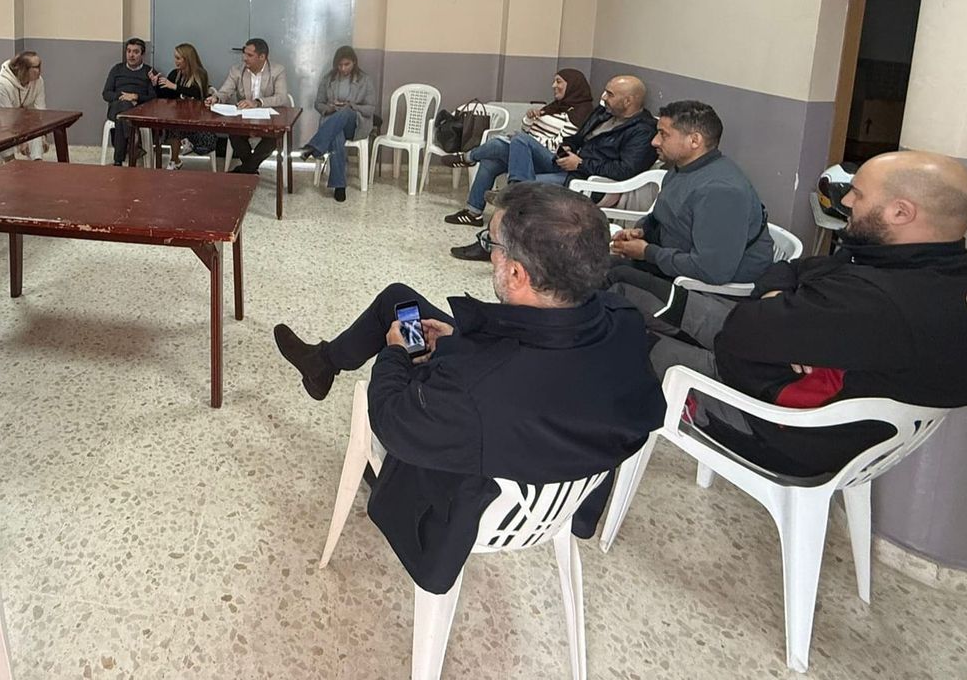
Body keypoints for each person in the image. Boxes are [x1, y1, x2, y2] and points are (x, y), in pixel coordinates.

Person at [271, 183, 663, 594]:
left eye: (491, 243)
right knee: (399, 299)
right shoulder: (624, 321)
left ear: (515, 273)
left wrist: (395, 355)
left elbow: (390, 421)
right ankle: (322, 364)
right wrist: (459, 337)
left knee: (401, 332)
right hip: (536, 415)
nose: (489, 251)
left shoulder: (474, 391)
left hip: (468, 488)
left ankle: (327, 365)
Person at [636, 151, 967, 478]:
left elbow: (740, 333)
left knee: (623, 342)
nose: (847, 202)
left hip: (777, 430)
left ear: (901, 212)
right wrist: (780, 304)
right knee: (634, 288)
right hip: (777, 372)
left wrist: (777, 312)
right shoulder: (941, 271)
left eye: (858, 194)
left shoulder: (885, 301)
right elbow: (792, 268)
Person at [444, 74, 654, 232]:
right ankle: (484, 205)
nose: (603, 97)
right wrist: (569, 147)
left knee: (508, 165)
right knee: (512, 144)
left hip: (587, 178)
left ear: (628, 101)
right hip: (566, 163)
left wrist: (580, 164)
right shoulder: (603, 113)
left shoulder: (642, 131)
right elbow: (577, 137)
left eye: (610, 94)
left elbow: (625, 170)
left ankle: (500, 210)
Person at [605, 99, 773, 290]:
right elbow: (666, 217)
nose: (654, 141)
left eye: (663, 135)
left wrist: (648, 253)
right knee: (591, 266)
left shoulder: (720, 192)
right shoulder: (681, 169)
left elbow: (712, 270)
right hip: (673, 262)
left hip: (710, 289)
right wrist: (642, 231)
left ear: (694, 140)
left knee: (608, 277)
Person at [297, 45, 376, 202]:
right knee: (336, 136)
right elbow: (318, 104)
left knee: (346, 112)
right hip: (334, 122)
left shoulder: (364, 80)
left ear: (354, 63)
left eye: (347, 64)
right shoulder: (329, 79)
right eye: (340, 65)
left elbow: (370, 108)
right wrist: (330, 108)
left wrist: (353, 106)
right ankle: (339, 186)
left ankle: (313, 146)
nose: (343, 68)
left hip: (355, 123)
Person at [206, 37, 290, 174]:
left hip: (269, 118)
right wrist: (215, 98)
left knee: (273, 138)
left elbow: (281, 97)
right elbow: (225, 92)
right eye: (244, 54)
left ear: (262, 57)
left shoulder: (277, 70)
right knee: (234, 134)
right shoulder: (237, 70)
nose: (244, 58)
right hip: (243, 118)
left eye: (249, 55)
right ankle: (250, 169)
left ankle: (245, 170)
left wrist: (257, 102)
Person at [153, 42, 217, 169]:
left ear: (187, 59)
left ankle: (185, 146)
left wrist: (175, 86)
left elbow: (198, 93)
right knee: (173, 126)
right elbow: (166, 96)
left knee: (195, 137)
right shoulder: (174, 74)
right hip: (179, 116)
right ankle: (174, 161)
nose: (175, 61)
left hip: (198, 119)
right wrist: (156, 85)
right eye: (175, 57)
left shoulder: (200, 74)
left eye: (178, 58)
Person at [0, 51, 50, 160]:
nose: (39, 71)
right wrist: (20, 140)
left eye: (39, 66)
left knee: (36, 130)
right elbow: (6, 119)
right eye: (35, 67)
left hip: (16, 115)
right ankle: (10, 164)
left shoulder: (38, 81)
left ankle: (37, 163)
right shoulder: (2, 84)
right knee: (4, 135)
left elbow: (40, 111)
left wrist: (43, 135)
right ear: (23, 69)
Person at [102, 38, 159, 166]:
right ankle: (134, 143)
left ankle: (118, 160)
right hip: (116, 107)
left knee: (122, 117)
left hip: (138, 110)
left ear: (142, 54)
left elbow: (153, 98)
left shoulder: (149, 72)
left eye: (135, 52)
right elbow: (106, 94)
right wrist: (122, 96)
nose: (131, 55)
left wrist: (136, 97)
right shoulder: (117, 69)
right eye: (128, 51)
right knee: (124, 107)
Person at [520, 67, 597, 151]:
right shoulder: (557, 106)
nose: (553, 85)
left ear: (572, 85)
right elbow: (525, 130)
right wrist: (529, 118)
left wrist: (528, 141)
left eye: (558, 82)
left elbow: (560, 146)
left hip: (547, 156)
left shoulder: (580, 113)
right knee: (504, 144)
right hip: (526, 146)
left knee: (517, 141)